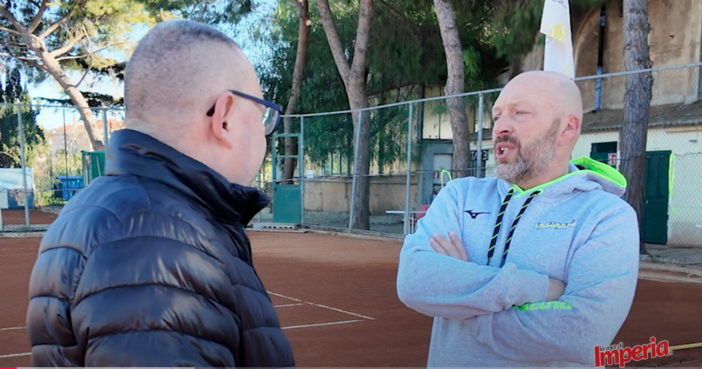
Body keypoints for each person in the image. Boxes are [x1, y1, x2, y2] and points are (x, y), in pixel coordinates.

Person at [25, 20, 295, 367]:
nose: (265, 135)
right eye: (261, 116)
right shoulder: (159, 240)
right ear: (224, 117)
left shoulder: (108, 210)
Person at [396, 70, 640, 367]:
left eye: (519, 112)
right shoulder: (460, 196)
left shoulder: (606, 216)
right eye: (497, 115)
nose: (499, 127)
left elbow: (581, 334)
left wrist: (462, 303)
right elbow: (414, 281)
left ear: (567, 128)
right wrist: (537, 288)